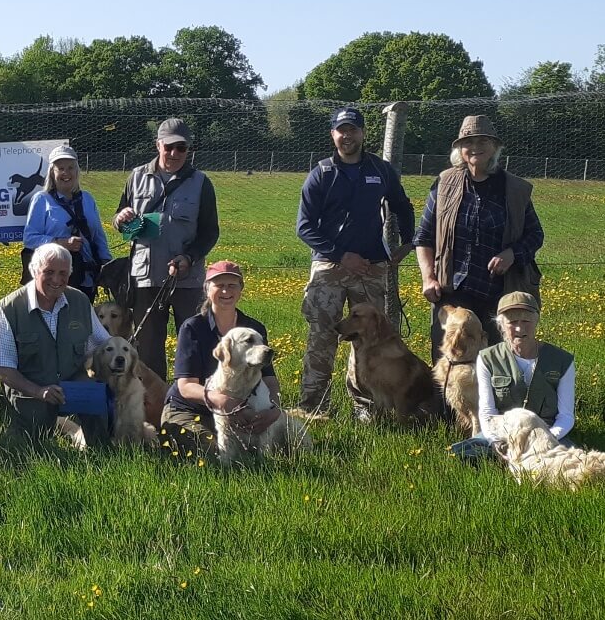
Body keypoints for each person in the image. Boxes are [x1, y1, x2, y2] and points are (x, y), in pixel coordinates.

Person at [294, 107, 416, 421]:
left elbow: (402, 206)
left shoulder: (381, 170)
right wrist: (339, 255)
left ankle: (367, 406)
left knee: (370, 339)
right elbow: (304, 226)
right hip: (329, 269)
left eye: (352, 130)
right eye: (340, 130)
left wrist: (406, 243)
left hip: (371, 268)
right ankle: (314, 407)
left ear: (362, 133)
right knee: (322, 337)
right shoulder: (321, 173)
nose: (346, 136)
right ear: (332, 134)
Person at [415, 115, 544, 362]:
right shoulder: (444, 183)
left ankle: (497, 403)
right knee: (450, 363)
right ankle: (447, 403)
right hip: (452, 291)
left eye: (483, 140)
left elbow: (535, 234)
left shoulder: (515, 189)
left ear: (495, 147)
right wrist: (428, 277)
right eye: (468, 141)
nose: (475, 147)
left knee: (498, 362)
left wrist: (512, 254)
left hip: (500, 291)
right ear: (459, 149)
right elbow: (424, 236)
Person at [112, 117, 219, 381]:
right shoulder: (136, 177)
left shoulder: (201, 183)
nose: (174, 153)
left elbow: (209, 232)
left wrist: (189, 257)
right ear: (157, 145)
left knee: (193, 343)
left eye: (181, 148)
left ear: (189, 149)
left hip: (186, 279)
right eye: (168, 147)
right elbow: (121, 220)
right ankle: (154, 405)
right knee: (147, 350)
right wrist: (120, 219)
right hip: (145, 277)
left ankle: (192, 402)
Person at [0, 243, 111, 445]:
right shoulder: (10, 308)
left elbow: (103, 345)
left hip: (73, 383)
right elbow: (1, 366)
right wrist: (38, 391)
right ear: (34, 271)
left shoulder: (79, 301)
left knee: (98, 405)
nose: (56, 279)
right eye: (49, 272)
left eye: (63, 273)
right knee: (28, 447)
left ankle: (100, 454)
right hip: (30, 388)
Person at [160, 261, 282, 457]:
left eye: (232, 285)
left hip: (240, 411)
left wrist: (275, 409)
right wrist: (222, 401)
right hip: (192, 409)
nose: (226, 290)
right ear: (207, 290)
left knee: (255, 450)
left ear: (241, 289)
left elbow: (269, 380)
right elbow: (186, 387)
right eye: (219, 285)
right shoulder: (193, 328)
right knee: (210, 453)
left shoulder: (254, 328)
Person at [450, 291, 574, 459]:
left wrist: (546, 438)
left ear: (536, 321)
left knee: (570, 463)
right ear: (501, 325)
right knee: (460, 455)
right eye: (512, 322)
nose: (519, 328)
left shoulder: (562, 360)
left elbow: (566, 416)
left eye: (526, 321)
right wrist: (496, 441)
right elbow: (487, 411)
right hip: (502, 434)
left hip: (548, 434)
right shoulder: (487, 359)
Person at [22, 145, 112, 301]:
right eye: (61, 168)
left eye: (70, 168)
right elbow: (30, 238)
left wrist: (107, 265)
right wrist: (60, 243)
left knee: (80, 322)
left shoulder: (87, 199)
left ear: (77, 171)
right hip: (54, 279)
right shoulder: (42, 200)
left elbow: (98, 236)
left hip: (86, 276)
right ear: (52, 172)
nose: (66, 173)